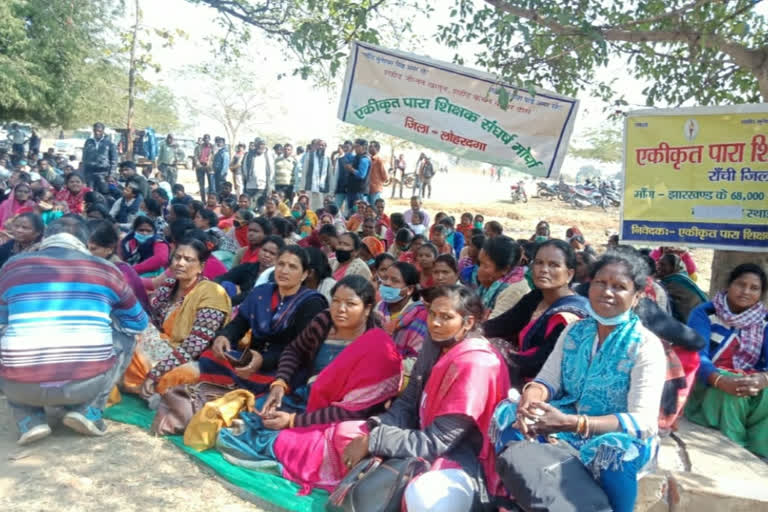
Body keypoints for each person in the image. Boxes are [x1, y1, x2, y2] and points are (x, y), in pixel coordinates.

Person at [491, 251, 666, 512]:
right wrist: (531, 401)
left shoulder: (644, 345)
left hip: (614, 432)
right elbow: (547, 381)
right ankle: (521, 500)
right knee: (508, 414)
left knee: (612, 453)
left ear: (637, 296)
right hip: (567, 419)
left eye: (619, 287)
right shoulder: (576, 331)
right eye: (600, 283)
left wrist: (575, 424)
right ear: (589, 285)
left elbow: (643, 422)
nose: (607, 292)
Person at [217, 276, 403, 490]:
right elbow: (294, 350)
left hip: (337, 415)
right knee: (258, 415)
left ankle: (278, 457)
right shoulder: (323, 322)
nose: (340, 309)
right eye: (336, 301)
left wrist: (292, 421)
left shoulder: (377, 346)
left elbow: (353, 411)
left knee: (286, 439)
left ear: (367, 308)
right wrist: (280, 383)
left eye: (350, 304)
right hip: (307, 398)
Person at [341, 285, 511, 510]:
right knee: (346, 433)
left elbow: (437, 441)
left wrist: (376, 440)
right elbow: (409, 401)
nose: (435, 323)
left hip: (463, 460)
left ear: (468, 323)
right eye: (432, 314)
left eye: (446, 317)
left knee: (423, 495)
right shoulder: (437, 342)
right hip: (421, 436)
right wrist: (377, 427)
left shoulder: (476, 363)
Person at [0, 217, 149, 444]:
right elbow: (138, 323)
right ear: (85, 241)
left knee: (7, 334)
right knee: (126, 336)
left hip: (20, 385)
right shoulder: (107, 269)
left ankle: (28, 419)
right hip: (84, 384)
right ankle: (90, 411)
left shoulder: (13, 266)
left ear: (45, 238)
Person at [201, 245, 328, 393]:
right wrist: (224, 336)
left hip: (282, 369)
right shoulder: (262, 292)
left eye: (292, 267)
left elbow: (300, 350)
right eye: (281, 264)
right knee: (208, 357)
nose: (284, 271)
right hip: (250, 360)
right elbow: (239, 324)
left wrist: (264, 360)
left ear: (305, 274)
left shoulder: (312, 303)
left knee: (269, 386)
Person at [124, 237, 232, 399]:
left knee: (182, 375)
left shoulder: (211, 293)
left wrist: (156, 373)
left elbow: (195, 345)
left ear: (201, 267)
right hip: (161, 345)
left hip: (188, 356)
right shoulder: (169, 284)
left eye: (188, 260)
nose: (180, 263)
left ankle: (148, 384)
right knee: (124, 336)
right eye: (177, 257)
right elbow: (155, 321)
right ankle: (145, 385)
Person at [685, 263, 768, 457]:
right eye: (740, 284)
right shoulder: (705, 313)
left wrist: (762, 379)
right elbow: (698, 356)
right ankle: (734, 449)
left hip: (749, 382)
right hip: (707, 382)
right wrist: (721, 380)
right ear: (729, 285)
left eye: (754, 288)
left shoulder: (764, 322)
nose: (745, 292)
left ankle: (759, 448)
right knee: (736, 390)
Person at [484, 239, 589, 387]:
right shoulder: (536, 297)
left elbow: (541, 361)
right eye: (539, 263)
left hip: (545, 385)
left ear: (570, 274)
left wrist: (494, 357)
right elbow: (501, 324)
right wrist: (468, 331)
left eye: (554, 265)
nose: (544, 269)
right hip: (518, 369)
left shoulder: (572, 314)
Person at [87, 219, 150, 312]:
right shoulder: (97, 266)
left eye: (93, 249)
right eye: (85, 248)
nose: (87, 253)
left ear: (109, 249)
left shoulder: (121, 273)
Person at [216, 234, 284, 306]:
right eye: (264, 250)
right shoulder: (248, 267)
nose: (267, 255)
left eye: (272, 254)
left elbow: (253, 295)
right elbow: (223, 278)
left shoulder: (277, 277)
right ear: (259, 249)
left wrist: (228, 302)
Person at [470, 236, 529, 318]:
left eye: (485, 265)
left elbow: (492, 326)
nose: (479, 270)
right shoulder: (487, 285)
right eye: (480, 263)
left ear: (505, 269)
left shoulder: (514, 291)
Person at [657, 252, 708, 323]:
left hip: (696, 321)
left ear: (673, 267)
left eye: (663, 265)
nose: (658, 267)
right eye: (658, 264)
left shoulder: (676, 282)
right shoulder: (676, 278)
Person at [80, 122, 117, 191]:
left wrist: (111, 175)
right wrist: (83, 174)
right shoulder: (88, 142)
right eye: (95, 131)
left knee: (104, 193)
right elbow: (84, 158)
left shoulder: (109, 143)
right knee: (89, 194)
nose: (97, 133)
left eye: (99, 131)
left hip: (103, 174)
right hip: (89, 174)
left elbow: (114, 160)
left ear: (103, 131)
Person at [193, 134, 215, 200]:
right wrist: (198, 163)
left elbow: (214, 157)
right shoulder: (198, 147)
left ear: (209, 139)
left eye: (207, 138)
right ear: (203, 139)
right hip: (200, 166)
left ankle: (210, 200)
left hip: (209, 167)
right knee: (201, 185)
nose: (206, 140)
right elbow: (195, 157)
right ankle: (203, 200)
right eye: (205, 138)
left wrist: (210, 163)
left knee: (211, 185)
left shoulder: (213, 147)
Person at [367, 141, 388, 205]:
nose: (369, 148)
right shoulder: (368, 158)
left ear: (377, 149)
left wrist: (377, 183)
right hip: (368, 189)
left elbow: (385, 176)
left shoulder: (379, 160)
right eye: (369, 146)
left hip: (375, 189)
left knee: (374, 208)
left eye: (371, 147)